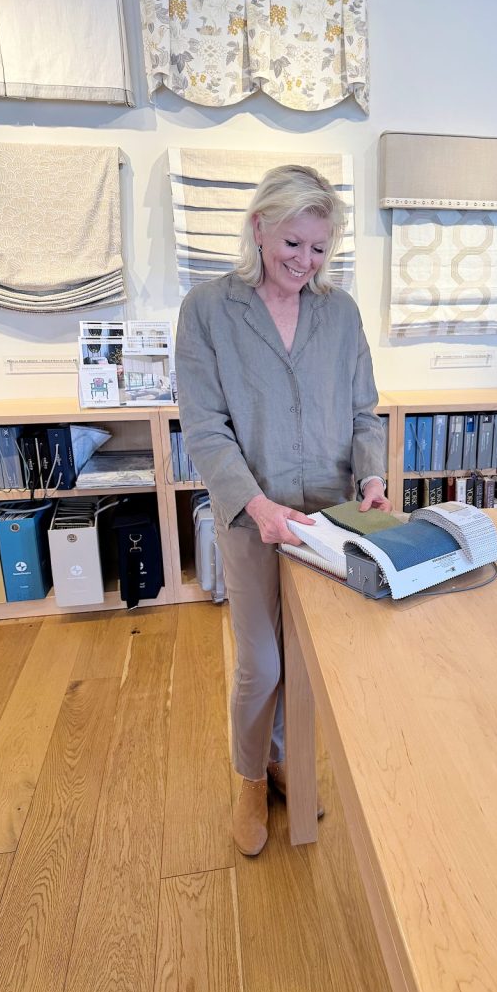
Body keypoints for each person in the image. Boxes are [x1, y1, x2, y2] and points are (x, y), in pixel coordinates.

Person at [175, 164, 391, 856]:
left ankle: (282, 759)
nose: (305, 261)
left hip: (329, 516)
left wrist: (374, 477)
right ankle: (249, 776)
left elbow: (364, 410)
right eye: (292, 243)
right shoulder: (208, 311)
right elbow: (205, 430)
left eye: (319, 248)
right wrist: (258, 506)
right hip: (252, 517)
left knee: (308, 661)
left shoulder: (341, 311)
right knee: (261, 665)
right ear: (259, 227)